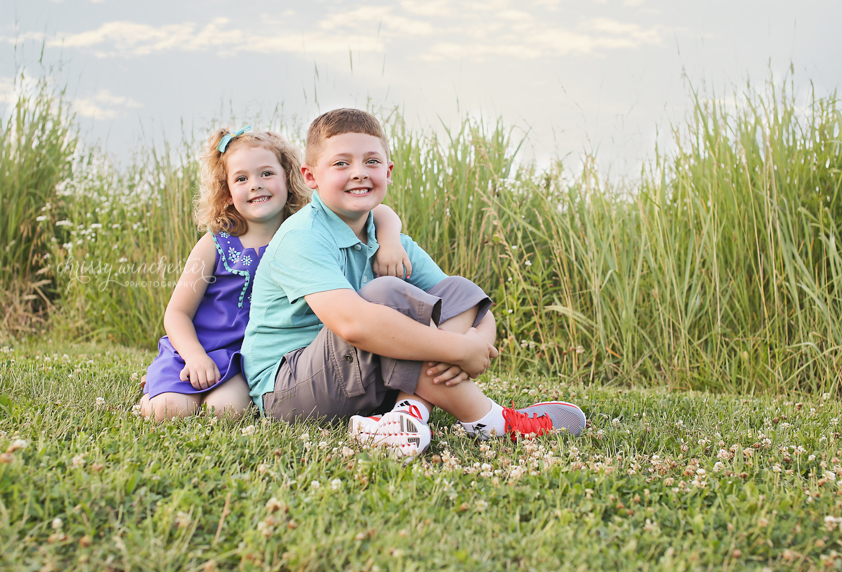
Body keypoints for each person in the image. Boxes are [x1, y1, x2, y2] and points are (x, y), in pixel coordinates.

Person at [241, 109, 586, 456]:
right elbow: (354, 325)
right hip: (291, 390)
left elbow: (466, 303)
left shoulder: (393, 242)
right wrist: (463, 350)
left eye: (371, 161)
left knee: (458, 288)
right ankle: (493, 422)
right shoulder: (301, 236)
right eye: (341, 164)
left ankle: (409, 412)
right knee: (383, 295)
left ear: (388, 172)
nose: (359, 173)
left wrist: (478, 340)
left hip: (359, 378)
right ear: (310, 176)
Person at [140, 125, 411, 421]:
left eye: (266, 174)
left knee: (225, 412)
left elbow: (379, 212)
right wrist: (194, 356)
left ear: (289, 178)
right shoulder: (214, 242)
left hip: (248, 359)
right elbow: (177, 313)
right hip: (194, 348)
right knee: (167, 411)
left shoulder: (305, 231)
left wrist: (390, 240)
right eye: (241, 179)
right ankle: (159, 384)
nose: (255, 184)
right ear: (227, 192)